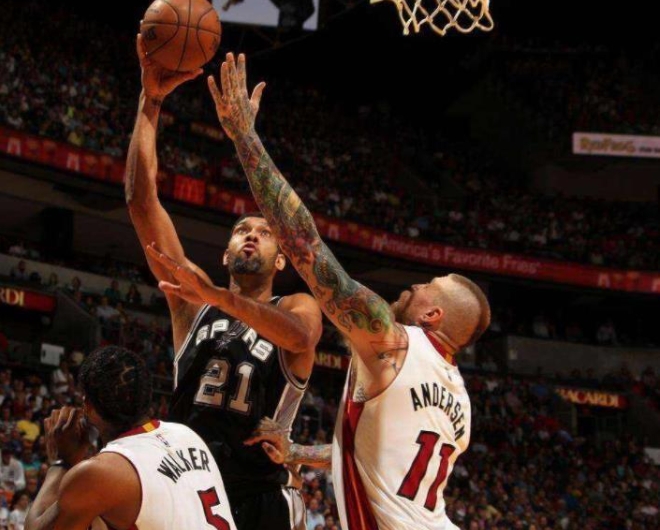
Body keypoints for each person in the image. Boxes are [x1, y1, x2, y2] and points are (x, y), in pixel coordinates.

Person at [212, 53, 491, 530]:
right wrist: (298, 452)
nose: (415, 285)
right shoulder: (459, 401)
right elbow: (377, 453)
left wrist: (244, 137)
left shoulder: (393, 341)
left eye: (427, 288)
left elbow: (304, 245)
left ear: (433, 316)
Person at [123, 35, 322, 530]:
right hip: (188, 484)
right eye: (241, 230)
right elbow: (141, 202)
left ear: (282, 260)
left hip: (261, 494)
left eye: (264, 232)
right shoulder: (193, 304)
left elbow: (301, 338)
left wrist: (217, 295)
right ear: (226, 254)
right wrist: (150, 102)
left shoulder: (296, 304)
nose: (251, 235)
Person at [25, 345, 237, 530]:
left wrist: (62, 462)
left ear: (87, 406)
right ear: (148, 396)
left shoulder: (98, 473)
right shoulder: (188, 435)